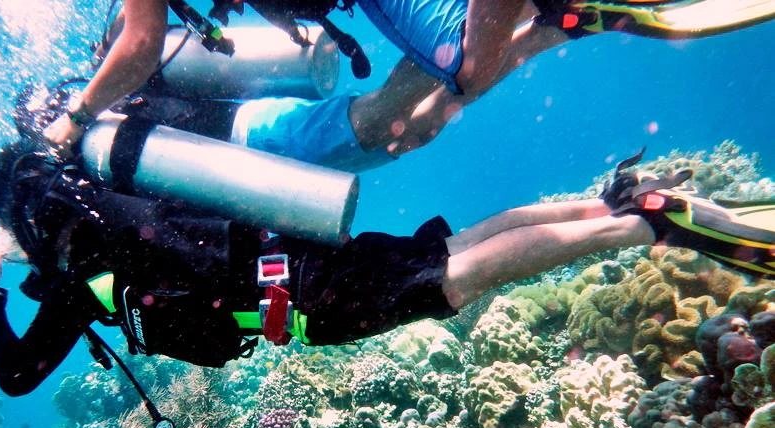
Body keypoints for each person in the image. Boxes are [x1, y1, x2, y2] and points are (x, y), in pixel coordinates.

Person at [0, 140, 774, 402]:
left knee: (448, 282)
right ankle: (608, 203)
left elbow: (16, 374)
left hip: (289, 300)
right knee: (447, 249)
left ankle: (640, 226)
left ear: (19, 216)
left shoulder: (76, 267)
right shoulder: (118, 188)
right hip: (293, 247)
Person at [43, 0, 775, 164]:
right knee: (439, 90)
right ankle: (562, 19)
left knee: (450, 80)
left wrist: (74, 118)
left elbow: (139, 48)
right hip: (249, 118)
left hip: (246, 135)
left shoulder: (101, 123)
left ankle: (554, 20)